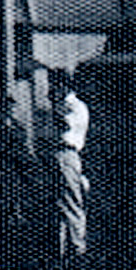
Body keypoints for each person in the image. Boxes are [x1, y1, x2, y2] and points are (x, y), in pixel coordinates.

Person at [46, 68, 89, 259]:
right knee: (58, 202)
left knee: (71, 201)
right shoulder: (65, 104)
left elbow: (64, 126)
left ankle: (78, 247)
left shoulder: (74, 106)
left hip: (68, 153)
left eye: (54, 85)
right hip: (58, 154)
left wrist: (55, 105)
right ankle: (61, 249)